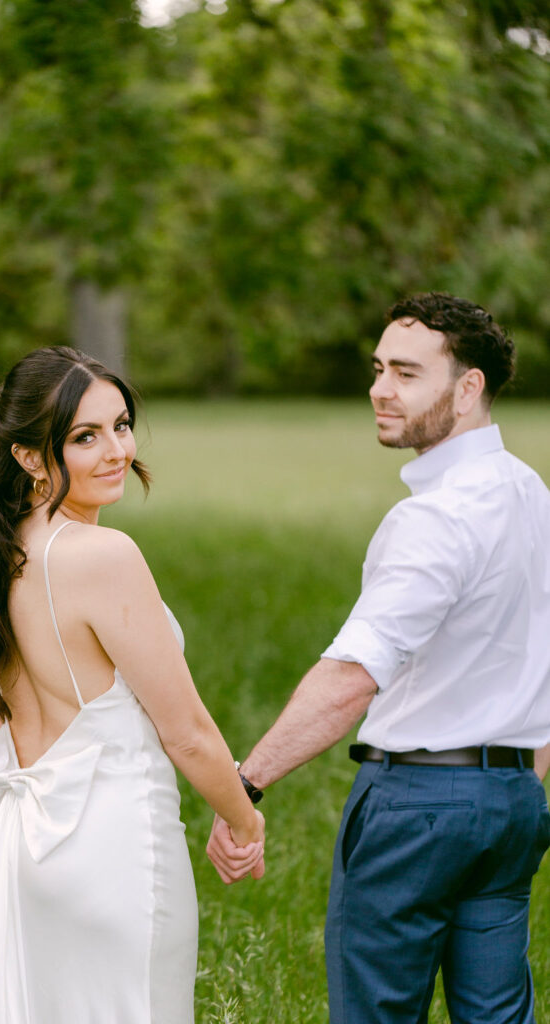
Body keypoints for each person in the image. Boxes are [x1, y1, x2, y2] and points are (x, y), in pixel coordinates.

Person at [207, 292, 550, 1023]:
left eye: (404, 373)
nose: (378, 390)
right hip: (511, 804)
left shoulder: (433, 517)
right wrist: (519, 772)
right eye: (376, 369)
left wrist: (246, 785)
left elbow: (351, 678)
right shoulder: (529, 492)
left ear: (467, 388)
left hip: (416, 809)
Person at [0, 346, 265, 1024]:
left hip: (14, 847)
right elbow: (189, 734)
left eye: (121, 425)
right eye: (86, 436)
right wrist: (242, 818)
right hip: (111, 849)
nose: (116, 449)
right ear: (29, 455)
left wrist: (33, 832)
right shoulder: (103, 555)